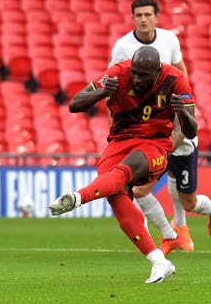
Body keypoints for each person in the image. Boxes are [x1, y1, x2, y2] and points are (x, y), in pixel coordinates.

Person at [49, 46, 197, 283]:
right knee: (116, 195)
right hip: (119, 142)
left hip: (155, 144)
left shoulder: (175, 80)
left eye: (143, 75)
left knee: (129, 167)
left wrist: (184, 115)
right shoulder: (117, 73)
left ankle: (78, 197)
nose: (136, 79)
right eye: (135, 73)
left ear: (157, 71)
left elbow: (192, 130)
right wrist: (100, 93)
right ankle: (159, 261)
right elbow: (75, 104)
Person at [109, 0, 211, 254]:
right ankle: (170, 234)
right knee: (139, 190)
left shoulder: (169, 39)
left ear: (156, 17)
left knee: (189, 201)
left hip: (175, 128)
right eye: (139, 15)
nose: (144, 19)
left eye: (148, 15)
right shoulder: (122, 47)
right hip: (146, 128)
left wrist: (184, 109)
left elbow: (181, 72)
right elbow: (112, 90)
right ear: (133, 18)